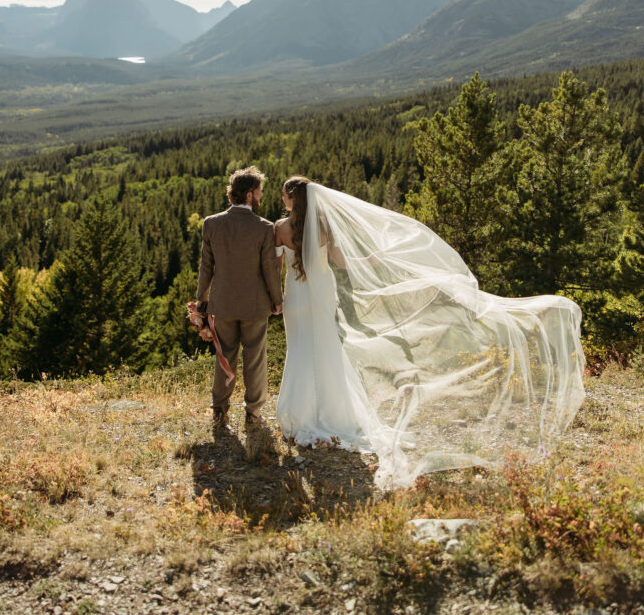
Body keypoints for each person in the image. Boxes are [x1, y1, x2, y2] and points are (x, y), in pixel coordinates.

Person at [275, 177, 586, 489]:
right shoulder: (324, 229)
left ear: (292, 199)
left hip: (295, 298)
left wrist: (273, 296)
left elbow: (275, 265)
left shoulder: (279, 228)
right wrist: (375, 259)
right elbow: (342, 262)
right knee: (326, 350)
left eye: (285, 196)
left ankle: (298, 414)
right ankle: (332, 414)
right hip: (321, 296)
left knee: (299, 349)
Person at [196, 166, 283, 430]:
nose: (261, 196)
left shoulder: (212, 223)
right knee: (255, 360)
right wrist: (277, 300)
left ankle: (220, 411)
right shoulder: (264, 228)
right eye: (259, 191)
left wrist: (201, 299)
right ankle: (253, 414)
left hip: (221, 303)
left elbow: (206, 266)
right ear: (248, 195)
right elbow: (269, 269)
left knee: (225, 358)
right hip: (255, 305)